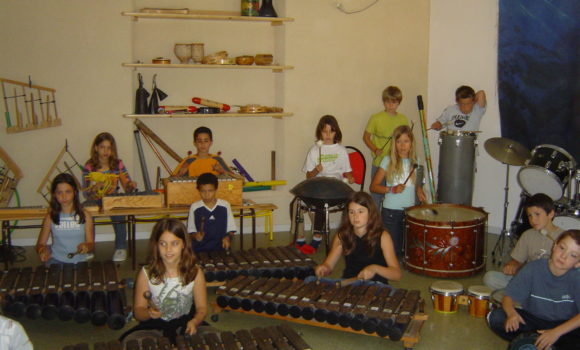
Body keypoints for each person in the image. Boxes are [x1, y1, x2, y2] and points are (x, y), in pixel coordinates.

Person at [487, 229, 580, 350]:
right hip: (533, 320)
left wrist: (555, 332)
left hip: (563, 324)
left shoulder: (577, 277)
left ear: (578, 263)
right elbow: (509, 297)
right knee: (497, 317)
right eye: (562, 248)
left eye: (573, 255)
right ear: (555, 245)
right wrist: (511, 313)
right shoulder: (533, 268)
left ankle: (543, 341)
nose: (563, 256)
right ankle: (540, 341)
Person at [121, 218, 208, 344]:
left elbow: (202, 308)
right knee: (131, 343)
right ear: (156, 245)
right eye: (163, 244)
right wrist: (149, 313)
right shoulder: (146, 273)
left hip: (186, 322)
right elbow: (138, 312)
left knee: (215, 338)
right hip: (153, 326)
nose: (168, 249)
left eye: (174, 243)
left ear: (183, 244)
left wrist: (195, 321)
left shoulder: (195, 272)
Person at [314, 192, 402, 285]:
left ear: (370, 213)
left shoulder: (383, 236)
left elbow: (397, 275)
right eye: (351, 212)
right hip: (350, 284)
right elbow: (329, 265)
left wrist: (375, 268)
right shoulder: (342, 235)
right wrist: (324, 268)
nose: (355, 216)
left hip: (376, 286)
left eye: (360, 211)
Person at [483, 193, 564, 291]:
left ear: (551, 214)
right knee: (490, 278)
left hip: (551, 284)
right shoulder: (527, 235)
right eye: (530, 216)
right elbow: (517, 261)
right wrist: (513, 265)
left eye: (537, 214)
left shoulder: (565, 238)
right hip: (529, 281)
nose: (533, 220)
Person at [298, 115, 354, 251]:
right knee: (296, 203)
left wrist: (350, 177)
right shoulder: (315, 150)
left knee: (323, 201)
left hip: (336, 188)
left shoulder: (341, 150)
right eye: (324, 131)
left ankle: (317, 236)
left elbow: (348, 172)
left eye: (331, 131)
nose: (328, 135)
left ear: (336, 132)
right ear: (320, 133)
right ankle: (300, 238)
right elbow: (308, 176)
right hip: (319, 186)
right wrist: (316, 171)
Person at [370, 125, 426, 258]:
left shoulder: (416, 162)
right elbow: (373, 187)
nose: (402, 145)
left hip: (410, 212)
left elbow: (417, 184)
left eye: (406, 141)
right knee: (391, 254)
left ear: (411, 143)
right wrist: (392, 189)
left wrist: (419, 190)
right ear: (394, 143)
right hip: (391, 213)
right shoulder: (387, 161)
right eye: (399, 141)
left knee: (408, 252)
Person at [83, 132, 137, 262]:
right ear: (96, 148)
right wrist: (96, 187)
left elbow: (126, 185)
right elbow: (85, 192)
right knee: (86, 212)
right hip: (95, 198)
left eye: (109, 147)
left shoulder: (118, 164)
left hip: (112, 197)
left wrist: (130, 185)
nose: (106, 151)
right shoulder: (89, 166)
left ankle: (120, 247)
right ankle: (88, 247)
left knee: (118, 210)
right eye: (102, 147)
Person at [363, 86, 409, 210]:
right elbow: (366, 137)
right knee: (376, 196)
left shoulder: (403, 119)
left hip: (397, 164)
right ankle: (375, 224)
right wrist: (374, 149)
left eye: (394, 102)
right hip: (379, 163)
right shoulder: (376, 118)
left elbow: (407, 140)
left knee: (394, 194)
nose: (390, 105)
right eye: (388, 101)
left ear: (398, 103)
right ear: (384, 102)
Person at [36, 173, 94, 265]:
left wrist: (87, 246)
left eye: (68, 192)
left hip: (79, 261)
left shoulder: (85, 215)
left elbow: (91, 243)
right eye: (60, 192)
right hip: (56, 260)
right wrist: (43, 251)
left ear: (75, 192)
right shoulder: (50, 217)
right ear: (55, 194)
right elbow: (41, 244)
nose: (64, 196)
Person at [187, 172, 236, 253]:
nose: (207, 194)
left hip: (220, 249)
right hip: (199, 250)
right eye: (203, 191)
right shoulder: (195, 207)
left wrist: (227, 237)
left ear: (216, 189)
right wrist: (195, 235)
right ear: (198, 190)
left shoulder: (225, 205)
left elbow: (231, 229)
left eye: (210, 191)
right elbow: (191, 231)